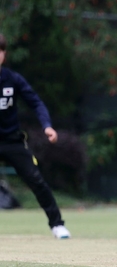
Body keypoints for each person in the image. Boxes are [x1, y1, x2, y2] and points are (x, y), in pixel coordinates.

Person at [0, 34, 71, 239]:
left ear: (4, 54)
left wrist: (47, 126)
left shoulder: (13, 79)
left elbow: (36, 103)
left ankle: (57, 225)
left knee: (36, 180)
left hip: (11, 141)